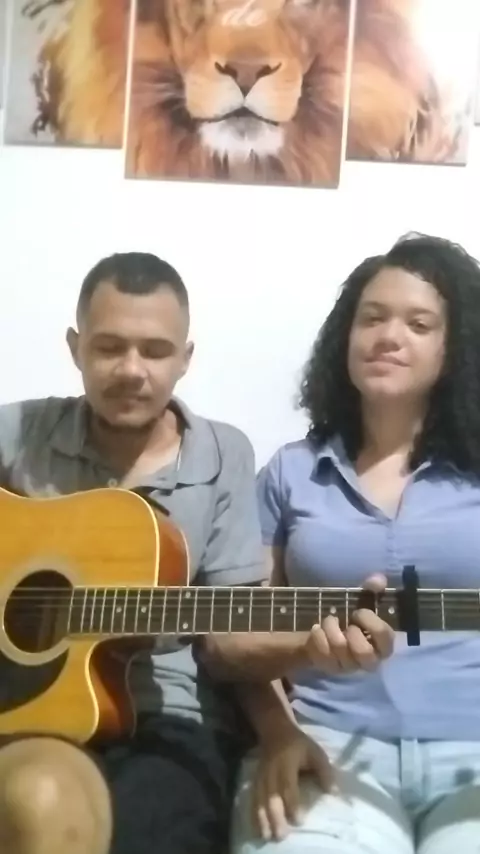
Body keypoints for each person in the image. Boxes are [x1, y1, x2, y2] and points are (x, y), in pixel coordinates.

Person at [0, 251, 393, 854]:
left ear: (185, 359)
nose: (132, 370)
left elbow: (227, 642)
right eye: (109, 347)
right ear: (75, 348)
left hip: (172, 721)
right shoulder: (21, 431)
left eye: (155, 351)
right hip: (29, 710)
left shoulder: (222, 455)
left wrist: (304, 659)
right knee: (35, 807)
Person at [229, 233, 480, 854]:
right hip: (323, 743)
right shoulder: (288, 472)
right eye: (372, 318)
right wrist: (280, 729)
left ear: (455, 348)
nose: (389, 336)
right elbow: (233, 642)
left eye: (418, 324)